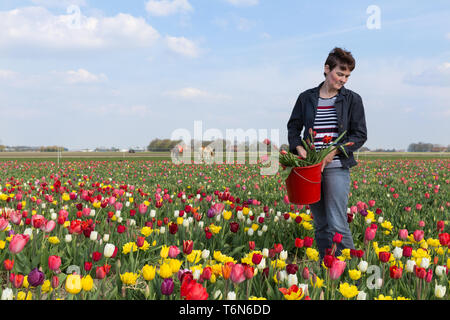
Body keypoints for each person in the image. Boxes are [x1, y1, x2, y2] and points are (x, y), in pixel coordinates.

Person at [287, 47, 367, 259]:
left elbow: (359, 135)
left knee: (336, 222)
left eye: (347, 76)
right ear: (327, 69)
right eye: (340, 73)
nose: (343, 80)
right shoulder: (306, 98)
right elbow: (293, 128)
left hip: (336, 166)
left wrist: (336, 150)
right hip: (310, 169)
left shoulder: (352, 100)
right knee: (321, 223)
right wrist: (299, 148)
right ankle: (328, 268)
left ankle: (352, 269)